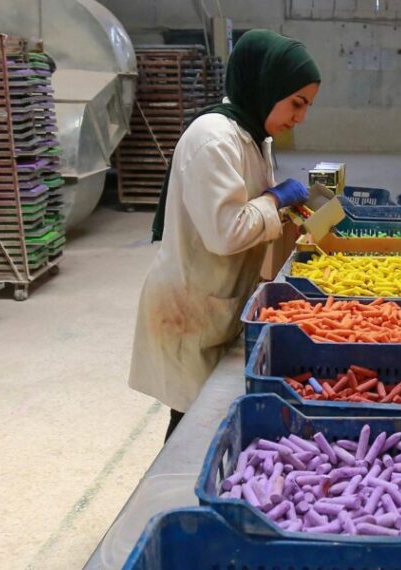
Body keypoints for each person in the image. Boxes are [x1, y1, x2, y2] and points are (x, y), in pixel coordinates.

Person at [130, 29, 321, 440]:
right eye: (296, 103)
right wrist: (274, 199)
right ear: (267, 87)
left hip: (218, 297)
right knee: (191, 428)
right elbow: (226, 232)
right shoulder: (213, 138)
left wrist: (281, 208)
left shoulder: (252, 135)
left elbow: (247, 207)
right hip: (190, 308)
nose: (300, 117)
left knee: (206, 420)